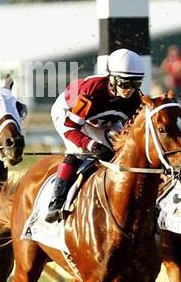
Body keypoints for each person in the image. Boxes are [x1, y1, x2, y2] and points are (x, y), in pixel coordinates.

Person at [43, 48, 148, 222]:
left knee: (119, 151)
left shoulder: (135, 99)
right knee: (78, 151)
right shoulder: (92, 91)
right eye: (124, 83)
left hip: (102, 119)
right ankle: (56, 202)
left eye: (136, 84)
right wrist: (92, 145)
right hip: (69, 114)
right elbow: (71, 128)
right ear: (112, 79)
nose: (129, 90)